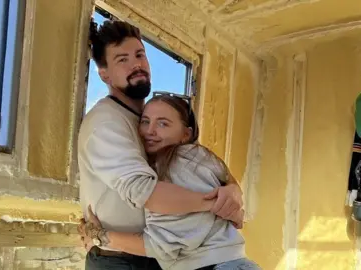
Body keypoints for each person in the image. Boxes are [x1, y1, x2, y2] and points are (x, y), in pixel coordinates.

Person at [77, 20, 244, 270]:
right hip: (120, 260)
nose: (136, 64)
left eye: (140, 55)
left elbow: (200, 164)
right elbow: (146, 192)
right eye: (122, 59)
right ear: (105, 75)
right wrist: (216, 205)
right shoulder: (106, 122)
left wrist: (232, 190)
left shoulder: (148, 120)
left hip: (159, 255)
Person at [80, 92, 260, 270]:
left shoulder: (179, 164)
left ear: (185, 134)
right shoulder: (191, 159)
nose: (150, 131)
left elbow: (163, 245)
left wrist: (100, 236)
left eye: (163, 123)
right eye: (145, 121)